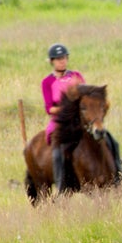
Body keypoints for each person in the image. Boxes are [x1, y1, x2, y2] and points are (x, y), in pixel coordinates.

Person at [42, 43, 84, 193]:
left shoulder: (76, 76)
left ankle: (116, 175)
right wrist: (66, 109)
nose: (62, 61)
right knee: (57, 150)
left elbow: (84, 96)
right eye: (58, 59)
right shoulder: (47, 82)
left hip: (79, 118)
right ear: (52, 61)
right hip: (60, 121)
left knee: (105, 138)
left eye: (64, 58)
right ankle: (61, 186)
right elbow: (49, 108)